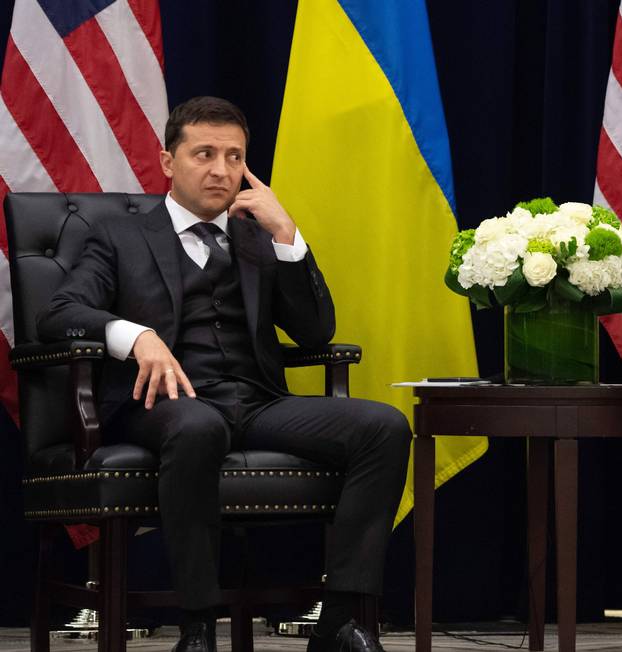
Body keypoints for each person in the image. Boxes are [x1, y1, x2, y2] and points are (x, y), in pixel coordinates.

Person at [37, 96, 409, 652]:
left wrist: (288, 237)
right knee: (196, 427)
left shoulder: (258, 236)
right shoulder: (119, 233)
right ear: (168, 162)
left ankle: (341, 619)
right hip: (162, 405)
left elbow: (314, 333)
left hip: (258, 402)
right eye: (204, 153)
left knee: (384, 426)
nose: (221, 170)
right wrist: (134, 336)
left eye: (234, 157)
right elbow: (57, 314)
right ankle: (198, 624)